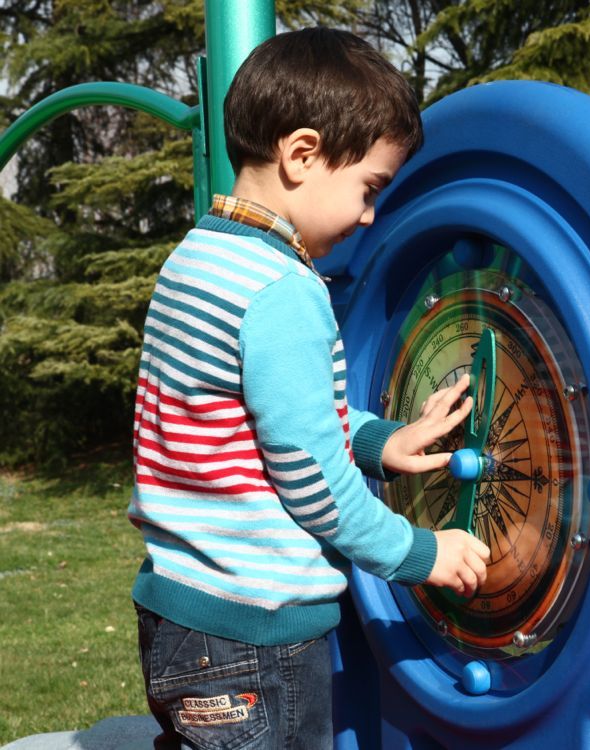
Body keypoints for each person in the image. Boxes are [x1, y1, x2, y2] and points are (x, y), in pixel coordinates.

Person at [128, 28, 490, 749]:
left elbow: (253, 418)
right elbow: (313, 483)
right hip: (254, 637)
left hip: (179, 620)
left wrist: (385, 440)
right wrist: (424, 553)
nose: (367, 216)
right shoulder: (282, 291)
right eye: (368, 188)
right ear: (301, 154)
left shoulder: (195, 261)